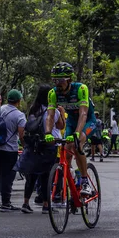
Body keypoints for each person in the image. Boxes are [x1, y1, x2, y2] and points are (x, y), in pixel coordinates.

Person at [45, 62, 98, 196]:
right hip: (71, 123)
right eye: (55, 79)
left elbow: (83, 114)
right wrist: (47, 133)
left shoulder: (81, 89)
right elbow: (50, 116)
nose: (58, 83)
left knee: (77, 143)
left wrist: (76, 133)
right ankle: (72, 177)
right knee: (66, 152)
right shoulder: (53, 93)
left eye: (61, 80)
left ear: (69, 79)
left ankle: (85, 181)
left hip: (87, 121)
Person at [17, 85, 64, 214]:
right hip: (49, 144)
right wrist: (62, 112)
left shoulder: (33, 109)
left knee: (31, 175)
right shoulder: (54, 110)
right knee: (46, 175)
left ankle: (25, 203)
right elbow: (60, 125)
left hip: (35, 144)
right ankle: (46, 204)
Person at [0, 89, 26, 211]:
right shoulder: (19, 115)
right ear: (19, 101)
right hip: (9, 149)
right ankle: (6, 202)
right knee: (7, 176)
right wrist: (24, 146)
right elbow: (22, 135)